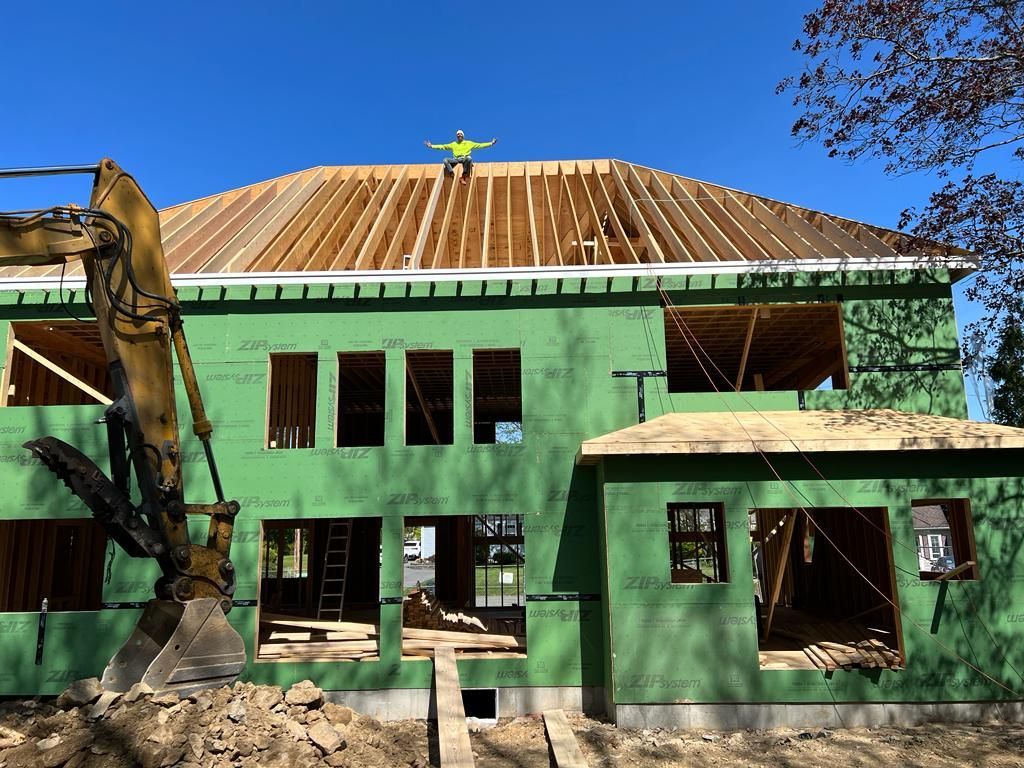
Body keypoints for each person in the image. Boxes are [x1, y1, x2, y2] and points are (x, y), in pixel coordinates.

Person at [424, 130, 497, 184]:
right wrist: (431, 146)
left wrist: (491, 143)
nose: (459, 136)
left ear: (463, 136)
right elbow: (442, 146)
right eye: (458, 135)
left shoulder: (468, 143)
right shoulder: (454, 144)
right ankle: (451, 173)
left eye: (460, 134)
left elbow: (480, 145)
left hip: (464, 159)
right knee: (445, 160)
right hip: (456, 159)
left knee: (469, 158)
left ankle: (463, 177)